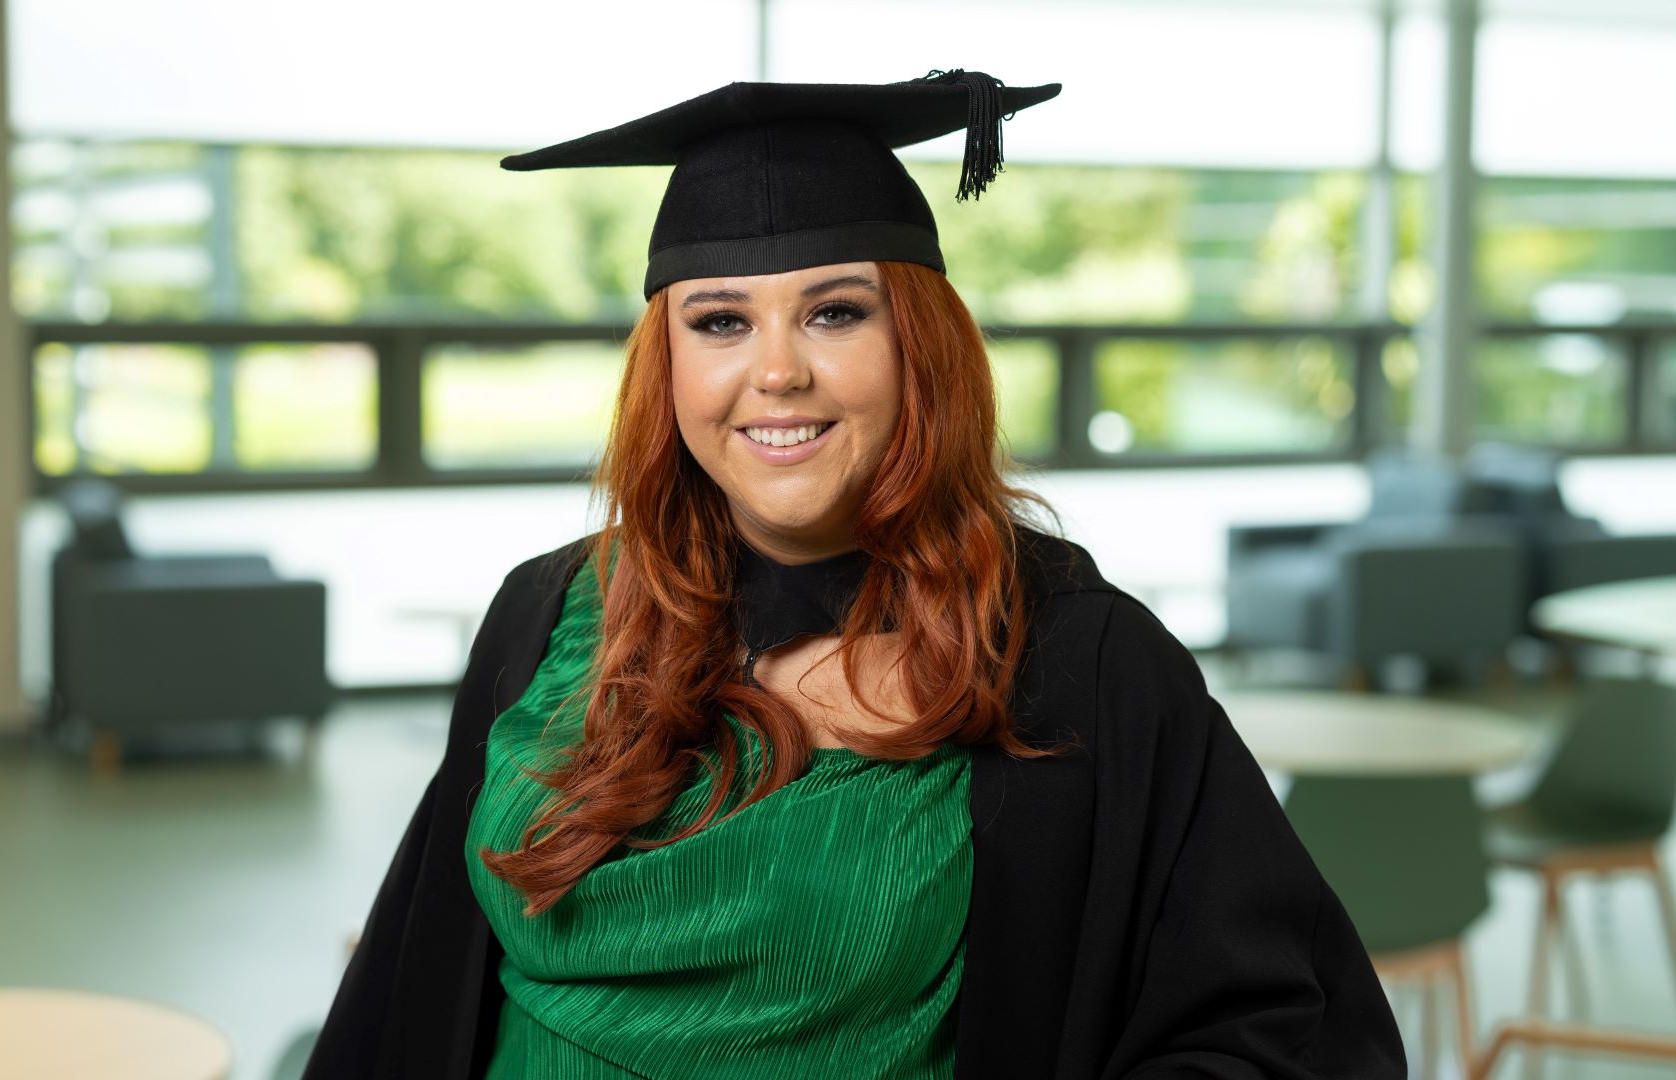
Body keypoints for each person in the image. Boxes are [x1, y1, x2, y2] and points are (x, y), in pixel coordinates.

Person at [305, 70, 1405, 1079]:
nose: (777, 370)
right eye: (721, 320)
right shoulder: (546, 614)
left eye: (835, 312)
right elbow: (413, 975)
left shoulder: (1074, 660)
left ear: (918, 343)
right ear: (669, 363)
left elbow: (1276, 1030)